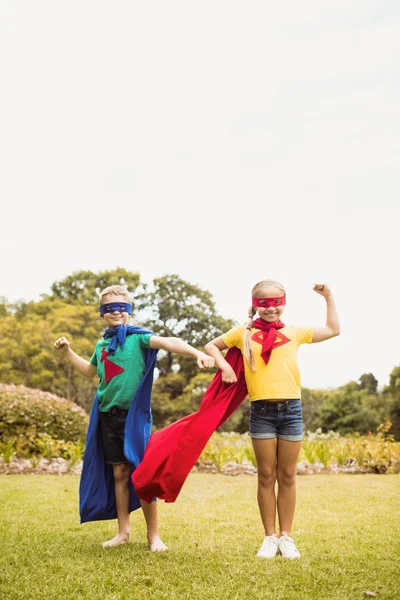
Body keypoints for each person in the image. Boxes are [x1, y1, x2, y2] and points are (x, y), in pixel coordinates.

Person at [54, 284, 214, 551]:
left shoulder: (139, 338)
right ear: (102, 313)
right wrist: (67, 352)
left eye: (121, 307)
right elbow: (90, 372)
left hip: (134, 417)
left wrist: (198, 353)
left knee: (143, 472)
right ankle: (123, 532)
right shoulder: (102, 343)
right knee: (119, 472)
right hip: (107, 415)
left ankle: (154, 536)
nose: (116, 312)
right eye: (109, 308)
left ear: (129, 311)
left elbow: (168, 342)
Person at [204, 280, 340, 559]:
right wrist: (225, 365)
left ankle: (286, 537)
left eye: (276, 302)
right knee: (266, 475)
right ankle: (269, 537)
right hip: (261, 412)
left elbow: (333, 330)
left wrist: (328, 297)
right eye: (264, 303)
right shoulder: (242, 332)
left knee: (287, 475)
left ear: (284, 302)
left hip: (291, 411)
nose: (271, 308)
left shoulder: (295, 332)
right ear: (255, 305)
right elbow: (211, 345)